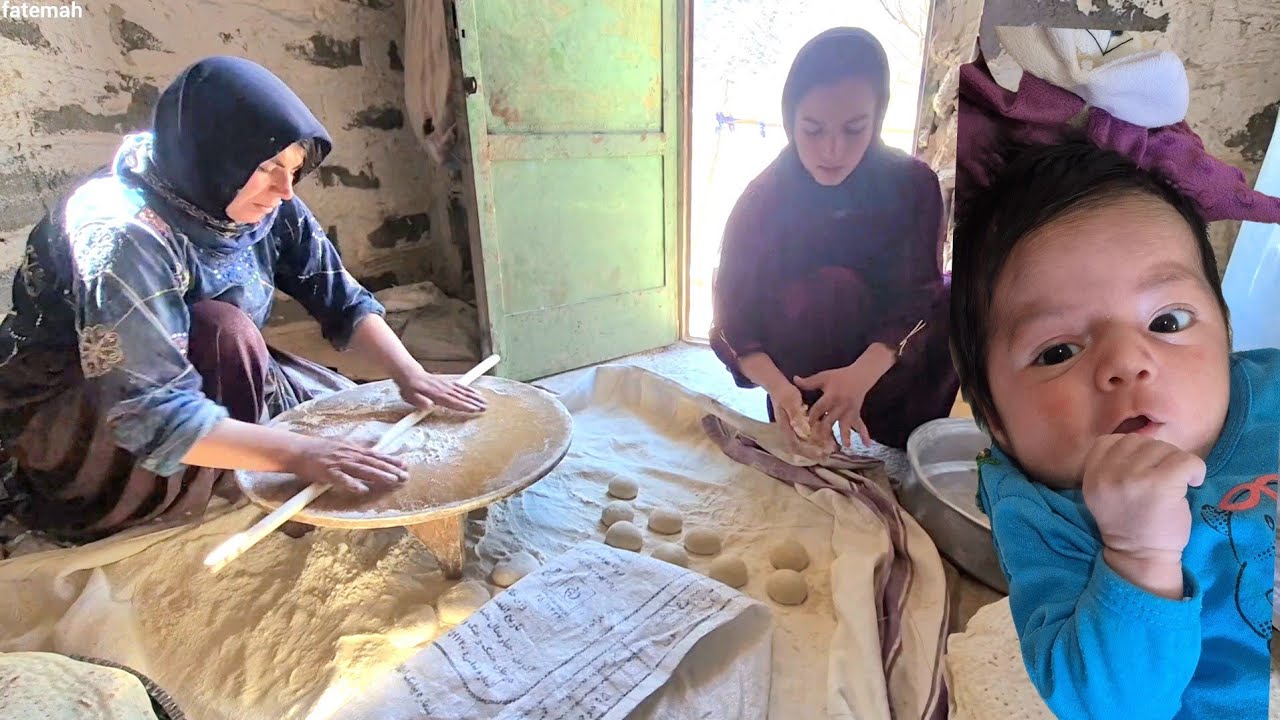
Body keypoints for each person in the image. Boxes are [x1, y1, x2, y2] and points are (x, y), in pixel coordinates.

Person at [0, 56, 487, 542]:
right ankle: (194, 480)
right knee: (234, 343)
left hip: (197, 357)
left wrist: (411, 374)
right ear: (215, 156)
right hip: (87, 410)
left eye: (294, 169)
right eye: (269, 167)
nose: (285, 189)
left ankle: (237, 449)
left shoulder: (266, 202)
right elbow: (150, 409)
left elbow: (340, 297)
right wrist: (297, 455)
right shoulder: (124, 231)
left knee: (345, 420)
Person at [951, 137, 1278, 718]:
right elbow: (1112, 706)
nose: (1126, 362)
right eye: (1057, 352)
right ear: (996, 420)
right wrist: (1138, 555)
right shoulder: (1045, 518)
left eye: (1168, 320)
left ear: (1224, 336)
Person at [709, 27, 958, 452]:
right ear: (790, 120)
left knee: (965, 292)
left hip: (887, 370)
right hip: (802, 380)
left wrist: (860, 376)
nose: (832, 151)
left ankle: (891, 428)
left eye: (854, 129)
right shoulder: (763, 200)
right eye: (813, 129)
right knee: (830, 289)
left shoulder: (913, 185)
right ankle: (814, 420)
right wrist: (779, 388)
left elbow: (919, 296)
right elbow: (733, 321)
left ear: (878, 118)